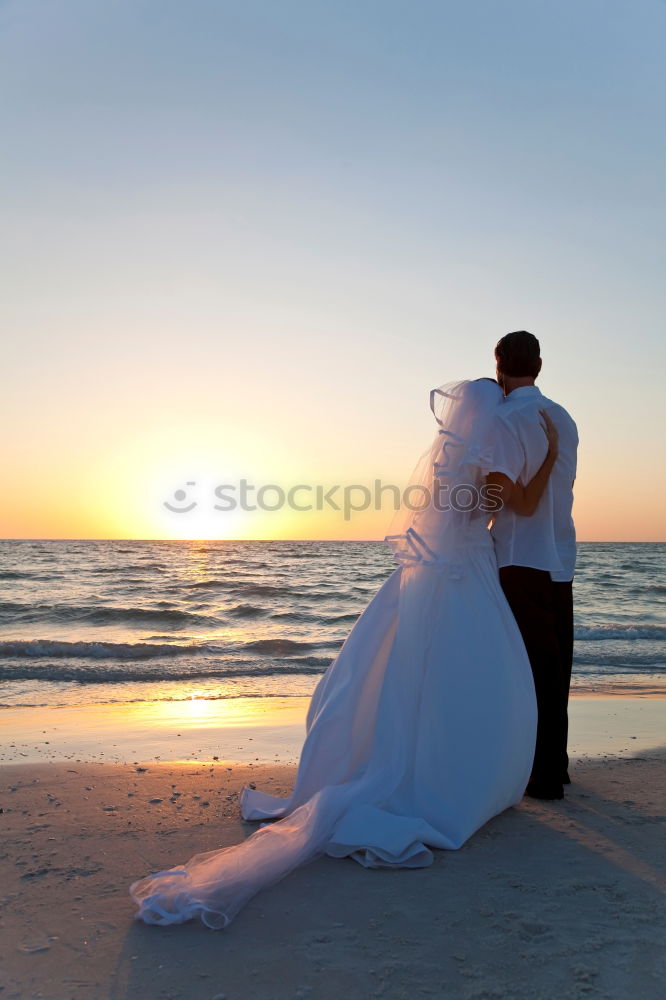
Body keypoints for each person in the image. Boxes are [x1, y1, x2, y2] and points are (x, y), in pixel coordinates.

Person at [130, 376, 558, 930]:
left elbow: (459, 516)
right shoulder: (483, 462)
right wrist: (543, 458)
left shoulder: (447, 464)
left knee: (408, 674)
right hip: (469, 572)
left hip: (435, 574)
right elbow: (517, 507)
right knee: (468, 677)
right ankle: (457, 782)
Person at [487, 331, 578, 800]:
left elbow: (513, 504)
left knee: (527, 668)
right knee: (555, 665)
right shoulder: (561, 415)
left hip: (519, 557)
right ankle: (554, 765)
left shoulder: (503, 420)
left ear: (498, 367)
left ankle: (540, 776)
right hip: (559, 556)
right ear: (539, 367)